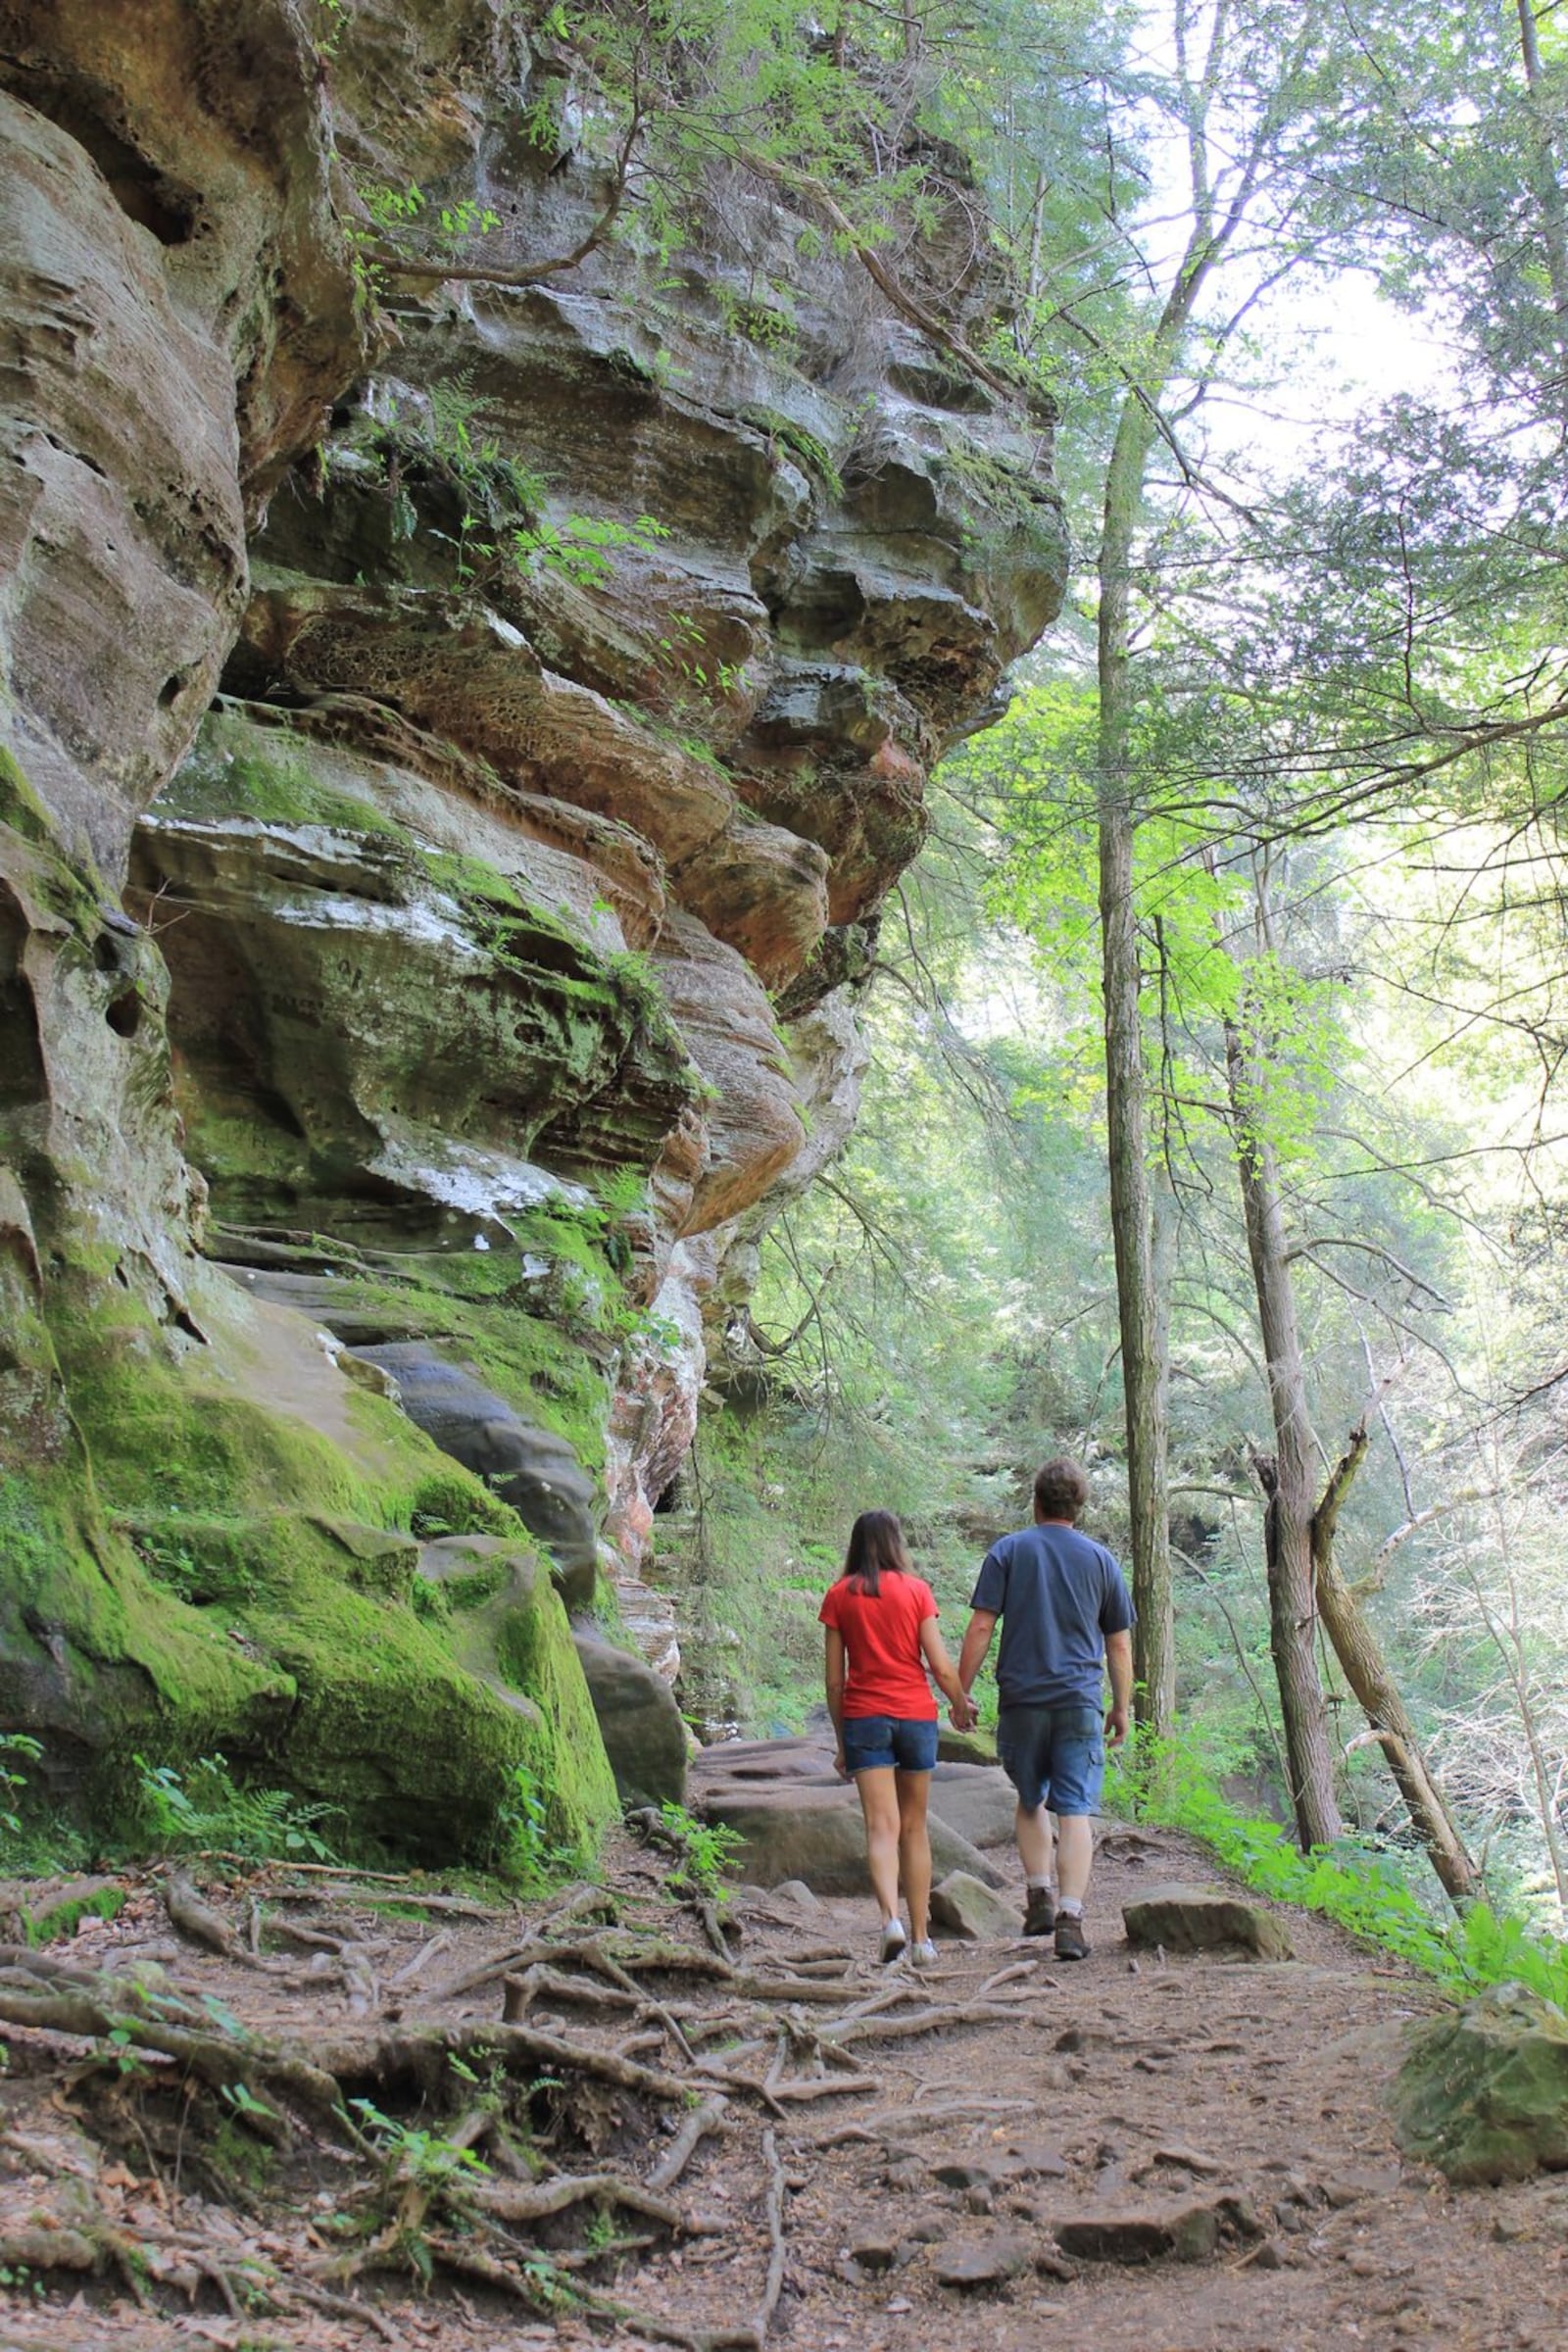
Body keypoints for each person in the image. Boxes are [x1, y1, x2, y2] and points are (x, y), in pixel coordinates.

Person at [956, 1457, 1134, 1961]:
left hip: (1022, 1700)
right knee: (1075, 1809)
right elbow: (1118, 1646)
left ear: (1035, 1502)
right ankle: (1071, 1920)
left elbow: (981, 1627)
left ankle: (1038, 1896)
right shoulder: (1101, 1561)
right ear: (1079, 1507)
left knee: (1030, 1799)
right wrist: (1121, 1706)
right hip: (1079, 1701)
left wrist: (960, 1692)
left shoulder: (1009, 1551)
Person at [820, 1509, 977, 1966]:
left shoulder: (839, 1596)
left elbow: (834, 1681)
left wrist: (842, 1741)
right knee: (914, 1827)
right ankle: (923, 1940)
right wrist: (960, 1703)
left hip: (865, 1717)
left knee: (881, 1828)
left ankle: (891, 1921)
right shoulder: (916, 1592)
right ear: (896, 1544)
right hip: (915, 1716)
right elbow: (941, 1665)